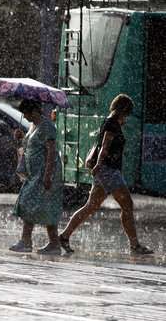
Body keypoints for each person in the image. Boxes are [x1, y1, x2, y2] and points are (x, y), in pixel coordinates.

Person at [58, 94, 154, 256]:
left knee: (91, 207)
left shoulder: (109, 121)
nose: (127, 116)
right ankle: (135, 246)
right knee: (128, 206)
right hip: (107, 170)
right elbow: (105, 146)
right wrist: (99, 164)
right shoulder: (112, 123)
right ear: (123, 110)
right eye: (127, 112)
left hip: (106, 170)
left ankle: (64, 236)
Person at [9, 99, 63, 256]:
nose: (24, 117)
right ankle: (48, 243)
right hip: (35, 174)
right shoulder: (35, 125)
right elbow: (32, 145)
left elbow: (51, 151)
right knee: (36, 205)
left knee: (32, 203)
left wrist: (48, 175)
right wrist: (22, 138)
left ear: (34, 111)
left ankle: (32, 242)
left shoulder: (46, 126)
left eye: (26, 114)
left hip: (44, 173)